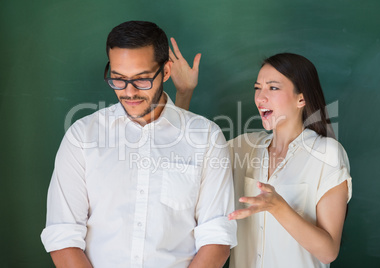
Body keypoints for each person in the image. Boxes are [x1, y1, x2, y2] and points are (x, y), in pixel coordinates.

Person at [40, 21, 237, 268]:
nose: (129, 92)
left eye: (142, 80)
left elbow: (217, 238)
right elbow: (63, 235)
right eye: (118, 79)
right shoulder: (82, 136)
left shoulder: (206, 137)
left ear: (166, 72)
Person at [170, 39, 352, 267]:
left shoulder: (327, 154)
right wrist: (184, 93)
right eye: (257, 88)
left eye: (273, 88)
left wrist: (278, 207)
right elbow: (184, 155)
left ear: (301, 98)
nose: (260, 98)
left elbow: (328, 252)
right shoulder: (244, 146)